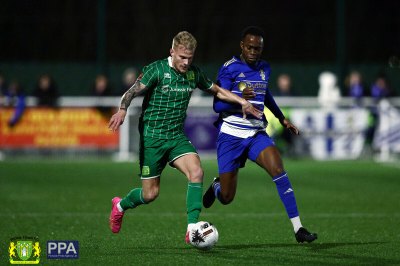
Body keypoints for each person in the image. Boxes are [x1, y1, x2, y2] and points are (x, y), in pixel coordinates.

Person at [107, 31, 262, 244]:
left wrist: (241, 102)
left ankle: (191, 230)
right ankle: (120, 206)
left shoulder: (193, 74)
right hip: (153, 139)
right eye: (182, 57)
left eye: (190, 58)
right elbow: (132, 91)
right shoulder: (157, 70)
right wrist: (123, 109)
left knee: (197, 171)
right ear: (172, 52)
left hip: (176, 137)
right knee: (150, 194)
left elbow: (217, 90)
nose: (186, 62)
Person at [202, 26, 317, 243]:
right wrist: (241, 104)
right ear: (242, 46)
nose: (254, 51)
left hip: (256, 133)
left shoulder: (265, 68)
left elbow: (265, 95)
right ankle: (217, 186)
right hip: (231, 136)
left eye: (258, 48)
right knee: (227, 197)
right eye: (250, 47)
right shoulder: (229, 69)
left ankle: (298, 229)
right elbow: (217, 104)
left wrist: (282, 118)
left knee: (278, 169)